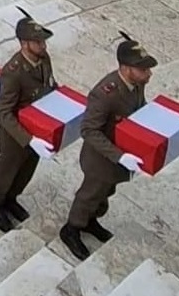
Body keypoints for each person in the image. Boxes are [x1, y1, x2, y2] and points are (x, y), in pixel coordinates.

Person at [60, 34, 156, 261]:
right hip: (101, 160)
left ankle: (90, 221)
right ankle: (72, 229)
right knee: (89, 195)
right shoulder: (105, 94)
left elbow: (137, 108)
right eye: (142, 69)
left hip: (119, 157)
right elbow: (89, 130)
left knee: (105, 194)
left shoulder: (136, 84)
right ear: (125, 68)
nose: (148, 73)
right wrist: (120, 156)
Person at [0, 10, 57, 234]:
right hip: (16, 134)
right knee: (7, 168)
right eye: (37, 42)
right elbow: (4, 112)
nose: (43, 45)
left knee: (26, 169)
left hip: (38, 127)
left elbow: (50, 84)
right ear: (24, 44)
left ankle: (11, 198)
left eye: (43, 40)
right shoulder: (12, 73)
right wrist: (28, 139)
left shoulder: (44, 59)